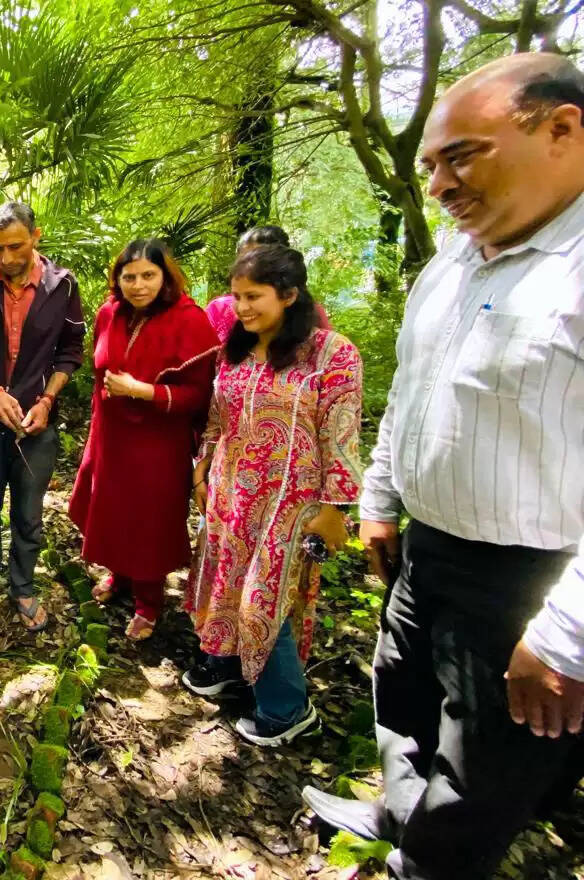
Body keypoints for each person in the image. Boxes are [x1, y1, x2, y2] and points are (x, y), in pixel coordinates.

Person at [301, 54, 584, 880]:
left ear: (562, 130)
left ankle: (428, 865)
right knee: (405, 695)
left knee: (484, 757)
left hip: (530, 574)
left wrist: (567, 634)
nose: (440, 184)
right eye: (431, 165)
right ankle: (394, 815)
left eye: (463, 155)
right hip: (429, 543)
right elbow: (415, 395)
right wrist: (380, 500)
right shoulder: (451, 264)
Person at [184, 245, 363, 747]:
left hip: (291, 504)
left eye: (253, 296)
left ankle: (286, 709)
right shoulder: (235, 351)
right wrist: (200, 473)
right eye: (237, 296)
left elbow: (341, 436)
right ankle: (230, 667)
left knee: (266, 600)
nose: (241, 307)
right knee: (222, 584)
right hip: (229, 494)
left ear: (288, 294)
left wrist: (336, 510)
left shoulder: (332, 353)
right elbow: (218, 421)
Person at [68, 238, 219, 640]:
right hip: (112, 436)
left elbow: (200, 394)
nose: (138, 285)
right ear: (117, 278)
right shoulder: (109, 314)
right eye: (129, 276)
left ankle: (148, 602)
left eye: (148, 275)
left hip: (158, 442)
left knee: (148, 519)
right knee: (114, 510)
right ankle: (120, 579)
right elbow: (100, 375)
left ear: (165, 276)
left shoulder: (190, 320)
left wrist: (143, 391)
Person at [0, 202, 86, 632]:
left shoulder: (61, 286)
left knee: (29, 511)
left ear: (35, 237)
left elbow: (70, 351)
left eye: (15, 247)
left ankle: (23, 586)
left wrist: (46, 401)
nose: (6, 259)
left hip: (36, 423)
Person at [205, 226, 331, 342]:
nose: (248, 268)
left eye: (259, 260)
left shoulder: (312, 317)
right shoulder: (219, 309)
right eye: (244, 260)